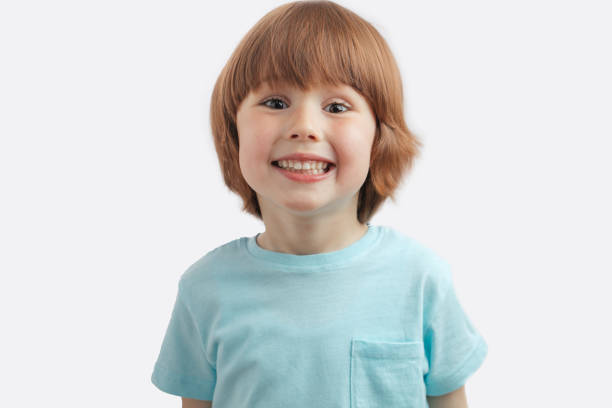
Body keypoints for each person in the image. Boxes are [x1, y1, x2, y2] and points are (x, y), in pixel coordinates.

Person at [151, 1, 487, 407]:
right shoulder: (204, 290)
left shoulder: (421, 280)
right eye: (276, 102)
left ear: (379, 139)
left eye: (337, 107)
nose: (305, 127)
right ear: (233, 131)